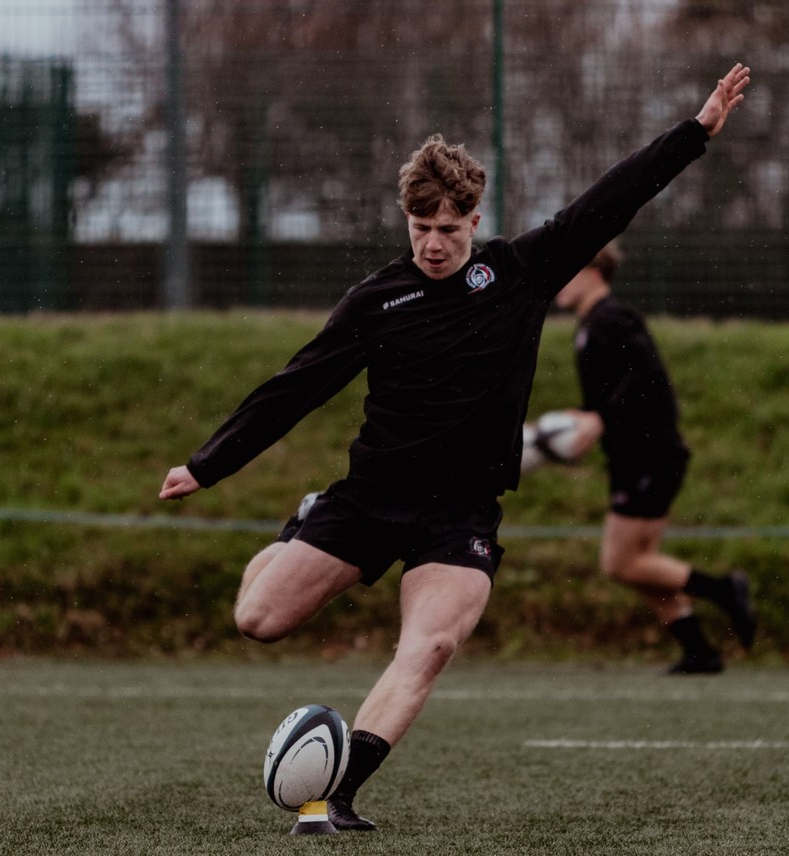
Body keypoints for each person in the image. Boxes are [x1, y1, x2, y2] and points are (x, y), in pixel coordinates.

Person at [158, 63, 751, 833]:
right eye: (420, 229)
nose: (433, 244)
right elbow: (296, 385)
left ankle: (334, 797)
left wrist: (696, 131)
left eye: (447, 229)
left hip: (461, 512)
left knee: (431, 644)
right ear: (405, 221)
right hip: (368, 500)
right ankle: (301, 524)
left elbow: (614, 198)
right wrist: (208, 464)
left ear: (473, 220)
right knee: (258, 620)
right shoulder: (376, 300)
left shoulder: (521, 270)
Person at [547, 242, 756, 674]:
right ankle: (699, 651)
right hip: (636, 456)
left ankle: (723, 590)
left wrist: (601, 419)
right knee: (642, 566)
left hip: (650, 455)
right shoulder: (591, 324)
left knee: (619, 562)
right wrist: (585, 420)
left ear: (594, 271)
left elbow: (643, 373)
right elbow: (613, 394)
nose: (558, 281)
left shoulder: (612, 317)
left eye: (568, 269)